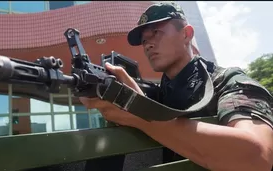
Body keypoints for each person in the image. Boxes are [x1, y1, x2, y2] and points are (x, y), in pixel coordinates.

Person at [80, 2, 273, 171]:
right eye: (144, 40)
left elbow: (258, 158)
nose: (147, 45)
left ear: (186, 34)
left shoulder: (228, 81)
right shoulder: (157, 95)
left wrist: (140, 114)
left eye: (156, 33)